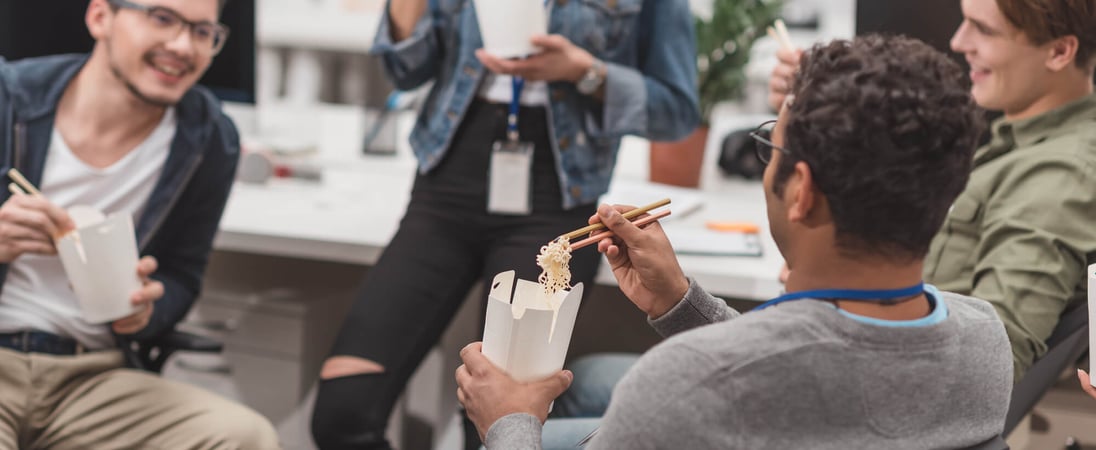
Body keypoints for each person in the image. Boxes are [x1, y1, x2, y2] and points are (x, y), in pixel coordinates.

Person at [456, 35, 1013, 449]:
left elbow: (757, 372)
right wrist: (679, 301)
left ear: (801, 191)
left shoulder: (683, 383)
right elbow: (802, 377)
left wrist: (507, 423)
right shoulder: (983, 341)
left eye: (773, 142)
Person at [309, 0, 699, 448]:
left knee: (497, 424)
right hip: (447, 182)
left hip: (556, 194)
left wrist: (583, 71)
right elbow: (403, 70)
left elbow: (677, 111)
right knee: (343, 413)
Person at [0, 0, 280, 448]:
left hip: (90, 379)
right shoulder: (9, 97)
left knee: (245, 436)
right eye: (163, 18)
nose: (182, 45)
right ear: (100, 18)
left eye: (203, 32)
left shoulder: (208, 139)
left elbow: (181, 276)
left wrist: (148, 310)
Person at [770, 0, 1096, 380]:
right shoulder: (1021, 139)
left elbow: (994, 358)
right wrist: (816, 113)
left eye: (984, 30)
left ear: (1059, 51)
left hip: (885, 394)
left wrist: (831, 280)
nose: (959, 42)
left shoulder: (1059, 174)